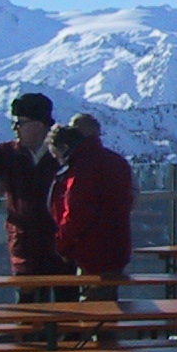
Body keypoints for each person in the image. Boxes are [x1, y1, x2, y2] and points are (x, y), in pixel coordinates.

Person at [0, 92, 68, 294]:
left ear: (37, 125)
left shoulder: (62, 155)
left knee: (67, 308)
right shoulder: (10, 153)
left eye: (20, 123)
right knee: (28, 311)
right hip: (25, 249)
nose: (15, 128)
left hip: (60, 248)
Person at [47, 122, 136, 300]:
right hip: (116, 247)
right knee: (106, 303)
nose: (60, 162)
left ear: (65, 148)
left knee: (95, 311)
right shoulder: (115, 160)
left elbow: (77, 214)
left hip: (93, 252)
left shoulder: (81, 169)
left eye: (58, 157)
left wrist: (61, 245)